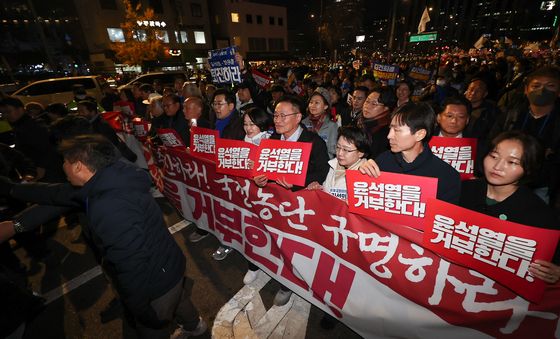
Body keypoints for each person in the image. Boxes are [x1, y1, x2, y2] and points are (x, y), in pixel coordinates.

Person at [0, 135, 207, 338]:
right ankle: (195, 326)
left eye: (64, 161)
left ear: (79, 166)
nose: (62, 167)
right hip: (170, 264)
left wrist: (140, 309)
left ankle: (189, 325)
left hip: (155, 284)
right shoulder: (114, 176)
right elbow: (56, 194)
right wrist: (12, 189)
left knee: (154, 328)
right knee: (179, 299)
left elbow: (131, 265)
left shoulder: (107, 206)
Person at [253, 95, 329, 306]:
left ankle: (290, 283)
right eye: (275, 115)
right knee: (276, 243)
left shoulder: (314, 142)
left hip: (300, 206)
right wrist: (259, 179)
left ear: (298, 117)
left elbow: (321, 173)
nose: (277, 120)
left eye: (283, 116)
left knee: (295, 248)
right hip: (275, 203)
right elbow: (263, 172)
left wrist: (296, 184)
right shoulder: (271, 142)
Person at [459, 131, 560, 283]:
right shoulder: (462, 190)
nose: (497, 166)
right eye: (493, 156)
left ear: (529, 168)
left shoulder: (540, 215)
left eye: (512, 162)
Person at [359, 102, 461, 204]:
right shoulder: (383, 162)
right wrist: (363, 176)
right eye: (390, 128)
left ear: (420, 134)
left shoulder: (446, 177)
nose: (389, 135)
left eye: (397, 130)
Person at [490, 66, 560, 206]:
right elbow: (492, 142)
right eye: (536, 85)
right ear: (526, 90)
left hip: (542, 188)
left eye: (550, 86)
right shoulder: (511, 115)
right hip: (505, 183)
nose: (542, 90)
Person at [239, 107, 271, 285]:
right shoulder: (242, 142)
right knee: (249, 229)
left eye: (252, 124)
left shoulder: (269, 142)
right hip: (245, 196)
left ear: (262, 124)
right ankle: (253, 266)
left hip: (265, 199)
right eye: (245, 124)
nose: (248, 128)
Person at [307, 126, 369, 202]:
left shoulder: (366, 175)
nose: (340, 153)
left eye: (346, 150)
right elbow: (330, 192)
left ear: (360, 153)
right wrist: (318, 188)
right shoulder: (333, 165)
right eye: (338, 147)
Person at [357, 87, 396, 159]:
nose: (367, 106)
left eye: (374, 104)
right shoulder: (358, 121)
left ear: (386, 108)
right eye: (367, 101)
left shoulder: (387, 132)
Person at [302, 87, 338, 159]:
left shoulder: (332, 126)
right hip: (304, 161)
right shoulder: (303, 123)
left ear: (325, 106)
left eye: (317, 103)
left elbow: (332, 151)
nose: (313, 105)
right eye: (311, 102)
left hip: (323, 164)